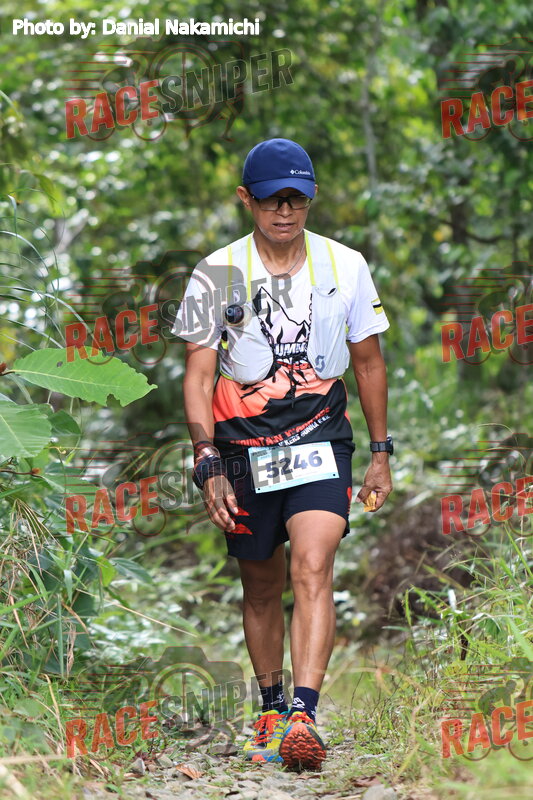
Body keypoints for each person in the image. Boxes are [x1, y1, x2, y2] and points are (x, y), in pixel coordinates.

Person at [174, 138, 393, 770]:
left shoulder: (345, 266)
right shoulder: (216, 273)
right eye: (272, 200)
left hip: (321, 436)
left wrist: (380, 452)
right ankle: (270, 706)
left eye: (297, 200)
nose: (285, 212)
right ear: (246, 199)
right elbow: (198, 373)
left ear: (311, 199)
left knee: (313, 565)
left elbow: (369, 362)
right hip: (241, 445)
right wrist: (205, 457)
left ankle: (304, 713)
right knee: (262, 583)